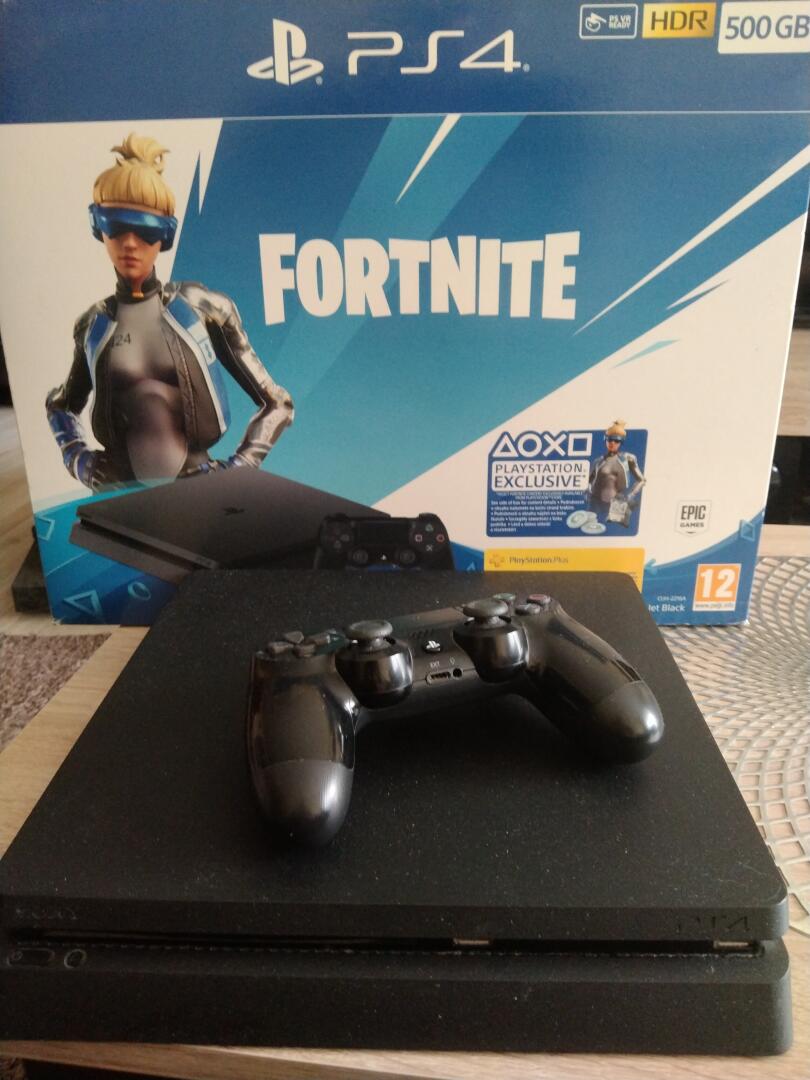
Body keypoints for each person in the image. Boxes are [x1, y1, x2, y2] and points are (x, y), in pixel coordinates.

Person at [46, 133, 293, 490]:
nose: (130, 244)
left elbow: (278, 404)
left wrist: (239, 468)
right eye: (116, 227)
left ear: (165, 235)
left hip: (201, 493)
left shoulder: (203, 308)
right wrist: (79, 459)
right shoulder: (93, 325)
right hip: (119, 496)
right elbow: (61, 405)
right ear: (98, 227)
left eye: (145, 231)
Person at [588, 420, 646, 522]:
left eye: (616, 441)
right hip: (596, 503)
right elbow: (588, 481)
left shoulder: (628, 458)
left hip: (617, 505)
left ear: (621, 442)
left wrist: (630, 495)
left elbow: (642, 480)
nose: (612, 443)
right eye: (610, 440)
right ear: (605, 440)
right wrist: (588, 492)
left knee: (614, 528)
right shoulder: (598, 461)